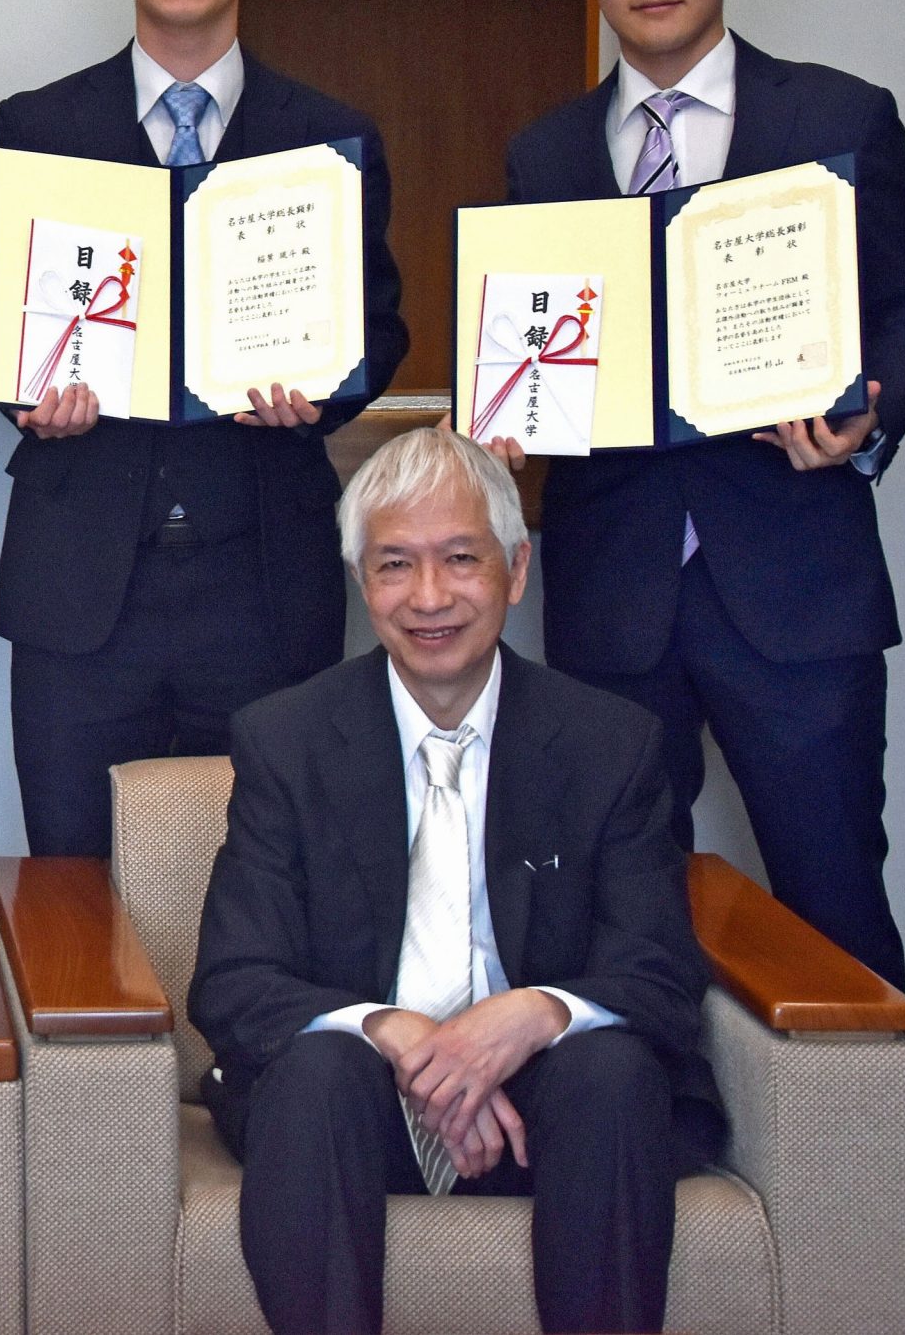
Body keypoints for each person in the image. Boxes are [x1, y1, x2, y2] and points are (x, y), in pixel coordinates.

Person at [502, 0, 905, 989]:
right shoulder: (543, 149)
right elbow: (537, 341)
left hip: (797, 573)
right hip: (611, 578)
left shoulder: (837, 117)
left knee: (832, 881)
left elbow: (903, 313)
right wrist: (506, 414)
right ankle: (657, 1139)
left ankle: (847, 1162)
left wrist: (866, 418)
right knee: (613, 889)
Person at [189, 426, 722, 1334]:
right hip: (353, 1116)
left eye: (460, 560)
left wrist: (531, 1015)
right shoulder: (286, 740)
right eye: (395, 565)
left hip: (544, 1114)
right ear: (364, 583)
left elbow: (659, 973)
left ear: (517, 570)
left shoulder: (610, 743)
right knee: (318, 1071)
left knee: (614, 1072)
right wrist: (395, 1033)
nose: (428, 596)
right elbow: (235, 980)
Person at [0, 0, 408, 857]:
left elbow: (378, 320)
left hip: (262, 576)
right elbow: (1, 321)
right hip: (82, 583)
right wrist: (23, 392)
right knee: (73, 893)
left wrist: (327, 388)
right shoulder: (38, 129)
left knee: (275, 879)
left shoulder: (326, 136)